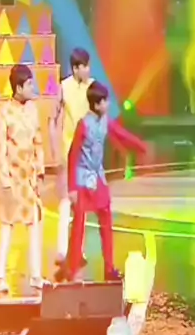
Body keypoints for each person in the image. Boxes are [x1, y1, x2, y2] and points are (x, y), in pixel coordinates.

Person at [60, 81, 150, 282]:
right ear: (96, 104)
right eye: (105, 102)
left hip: (98, 177)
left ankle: (109, 268)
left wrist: (140, 146)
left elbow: (121, 135)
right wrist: (72, 187)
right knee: (79, 225)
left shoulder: (104, 121)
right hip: (82, 180)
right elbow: (73, 156)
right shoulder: (83, 125)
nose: (108, 104)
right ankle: (72, 269)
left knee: (106, 221)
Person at [0, 65, 46, 293]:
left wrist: (40, 170)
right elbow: (0, 149)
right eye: (29, 84)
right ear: (18, 87)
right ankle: (0, 276)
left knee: (34, 224)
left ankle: (35, 275)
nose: (32, 88)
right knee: (7, 225)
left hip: (29, 179)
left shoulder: (33, 110)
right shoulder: (4, 112)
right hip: (12, 178)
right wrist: (4, 179)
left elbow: (38, 141)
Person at [49, 47, 92, 267]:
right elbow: (52, 119)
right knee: (66, 201)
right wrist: (55, 150)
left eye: (88, 66)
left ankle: (78, 251)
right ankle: (62, 250)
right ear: (75, 68)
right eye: (84, 66)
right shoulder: (63, 87)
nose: (87, 70)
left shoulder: (92, 87)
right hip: (68, 153)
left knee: (82, 204)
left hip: (87, 155)